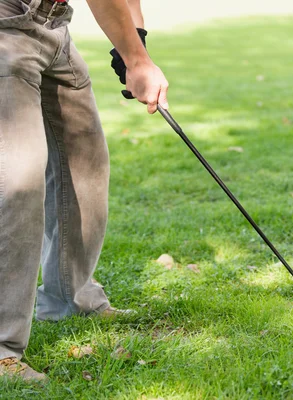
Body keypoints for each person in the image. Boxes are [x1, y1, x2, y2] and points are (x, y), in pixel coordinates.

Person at [0, 0, 168, 382]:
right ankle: (2, 348)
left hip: (53, 25)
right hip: (7, 21)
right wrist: (137, 60)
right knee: (18, 180)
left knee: (85, 158)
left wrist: (134, 43)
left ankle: (69, 298)